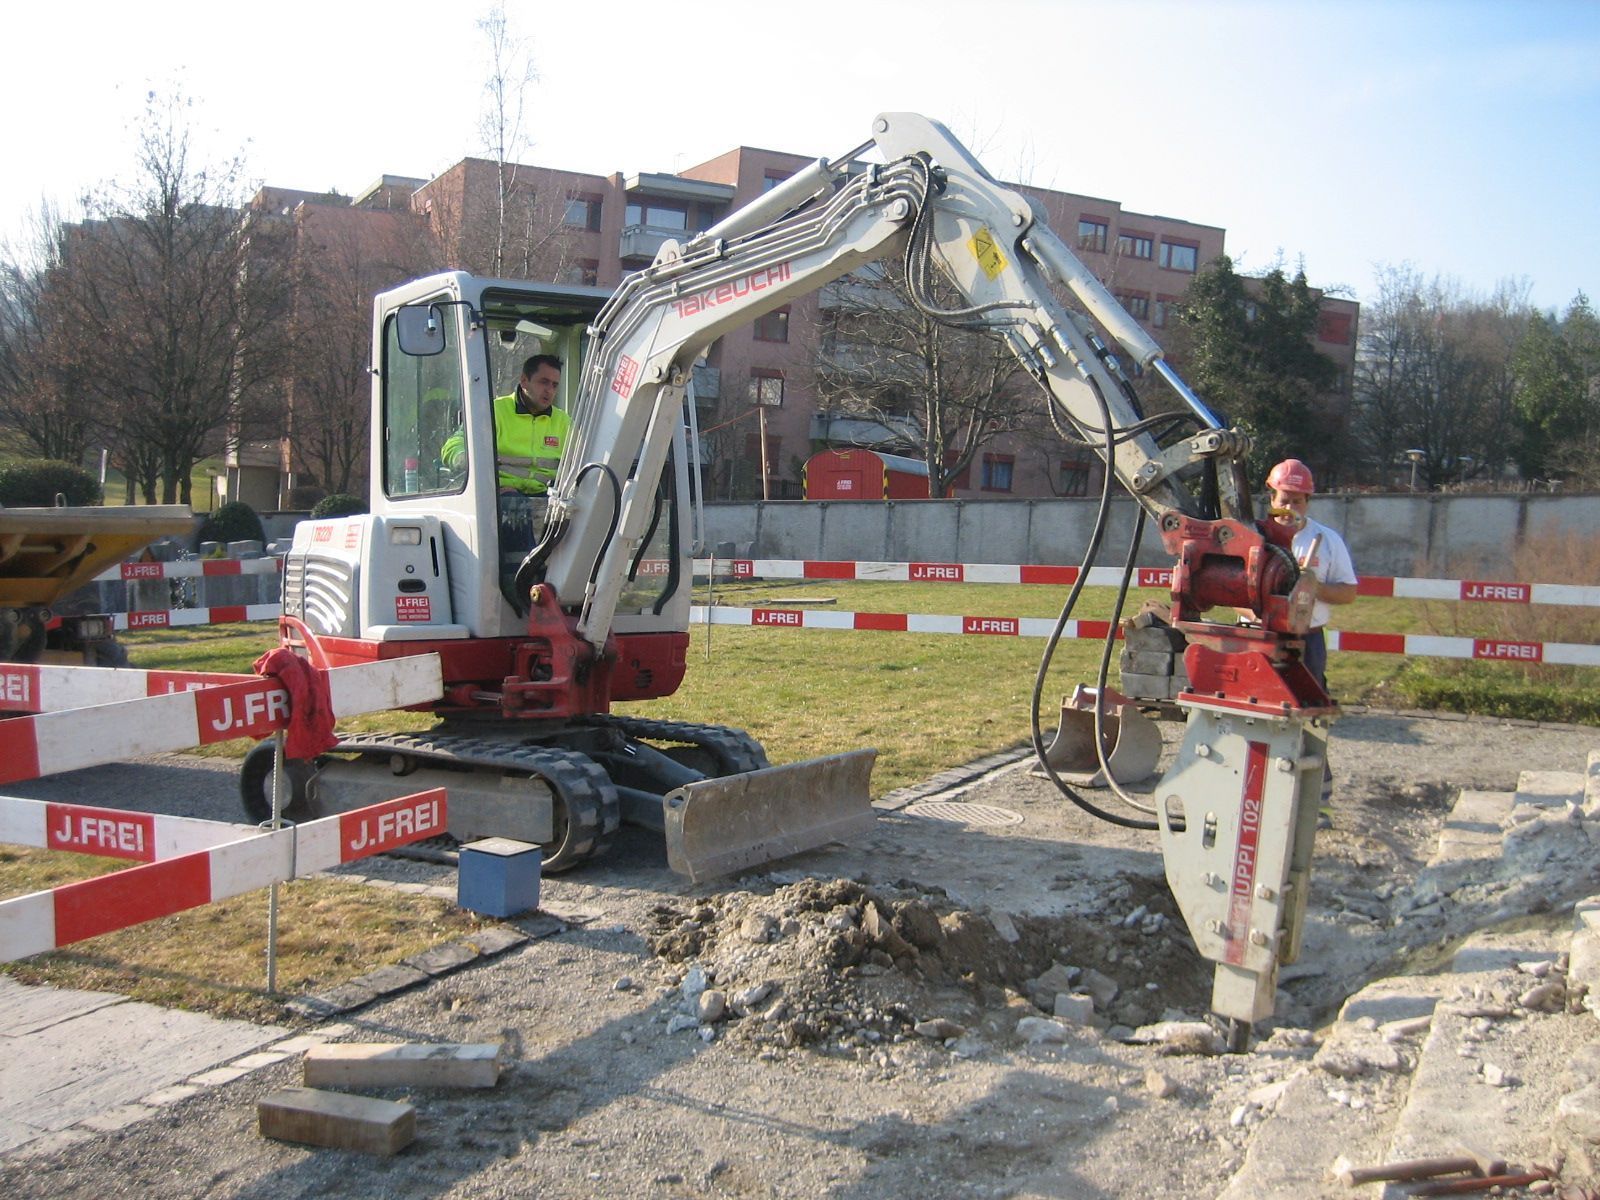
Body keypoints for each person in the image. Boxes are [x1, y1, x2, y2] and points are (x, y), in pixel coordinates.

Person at [1265, 457, 1359, 694]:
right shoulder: (1256, 538)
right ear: (1271, 499)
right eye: (1284, 501)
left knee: (1309, 708)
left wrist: (1313, 587)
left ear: (1307, 501)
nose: (1289, 509)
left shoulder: (1327, 540)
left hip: (1309, 641)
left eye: (1296, 502)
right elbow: (1235, 597)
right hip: (1261, 638)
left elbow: (1348, 593)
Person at [441, 354, 570, 495]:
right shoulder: (495, 412)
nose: (549, 390)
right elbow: (454, 444)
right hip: (501, 498)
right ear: (524, 381)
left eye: (554, 385)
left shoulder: (563, 422)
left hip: (548, 500)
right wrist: (465, 460)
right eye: (543, 382)